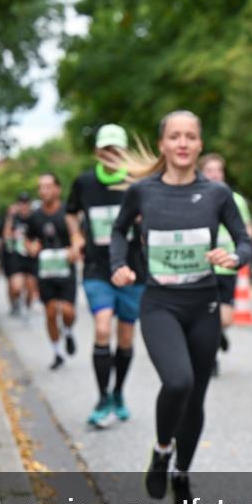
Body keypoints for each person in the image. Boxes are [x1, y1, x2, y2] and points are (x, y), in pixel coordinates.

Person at [107, 110, 252, 504]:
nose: (183, 143)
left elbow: (244, 240)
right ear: (163, 145)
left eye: (190, 136)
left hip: (204, 304)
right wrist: (118, 265)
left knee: (197, 399)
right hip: (160, 305)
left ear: (200, 144)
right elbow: (118, 230)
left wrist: (235, 257)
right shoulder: (144, 192)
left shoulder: (217, 194)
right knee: (178, 383)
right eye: (175, 136)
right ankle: (161, 451)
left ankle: (182, 472)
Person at [66, 123, 147, 428]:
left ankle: (118, 392)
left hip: (133, 270)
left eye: (116, 149)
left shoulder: (136, 183)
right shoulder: (84, 183)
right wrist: (76, 237)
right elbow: (71, 212)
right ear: (97, 152)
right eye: (106, 150)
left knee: (125, 336)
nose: (111, 155)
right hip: (98, 269)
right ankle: (102, 398)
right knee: (102, 328)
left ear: (124, 152)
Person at [199, 152, 252, 374]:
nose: (214, 174)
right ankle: (210, 359)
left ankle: (218, 334)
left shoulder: (235, 200)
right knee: (205, 316)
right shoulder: (196, 197)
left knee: (226, 319)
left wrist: (242, 251)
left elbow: (246, 230)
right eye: (209, 170)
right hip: (204, 267)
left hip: (227, 267)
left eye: (218, 170)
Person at [25, 173, 78, 370]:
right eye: (41, 187)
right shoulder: (35, 216)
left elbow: (78, 237)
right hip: (46, 272)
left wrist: (74, 249)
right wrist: (31, 247)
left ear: (57, 189)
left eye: (48, 187)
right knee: (49, 312)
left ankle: (69, 331)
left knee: (67, 311)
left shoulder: (68, 212)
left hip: (65, 271)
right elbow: (29, 239)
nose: (44, 191)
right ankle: (57, 353)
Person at [3, 192, 39, 316]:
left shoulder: (35, 217)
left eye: (26, 203)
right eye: (21, 203)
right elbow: (6, 236)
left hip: (31, 258)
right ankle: (16, 303)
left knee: (30, 291)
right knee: (16, 287)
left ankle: (27, 307)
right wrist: (10, 217)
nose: (24, 206)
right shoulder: (13, 218)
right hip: (16, 257)